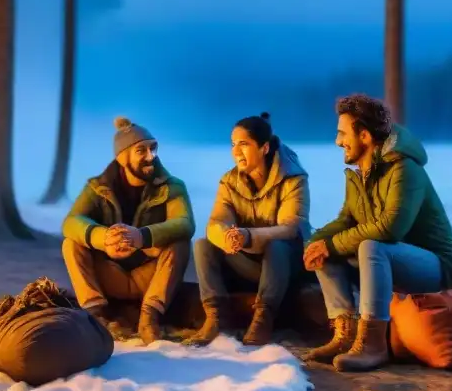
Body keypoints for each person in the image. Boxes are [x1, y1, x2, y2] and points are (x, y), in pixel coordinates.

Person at [303, 94, 452, 372]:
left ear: (364, 136)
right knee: (325, 246)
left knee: (370, 245)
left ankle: (373, 343)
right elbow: (346, 220)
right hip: (388, 261)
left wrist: (330, 245)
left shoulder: (405, 169)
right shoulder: (360, 172)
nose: (337, 141)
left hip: (437, 267)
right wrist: (315, 242)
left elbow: (390, 228)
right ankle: (345, 334)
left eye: (342, 133)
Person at [62, 117, 195, 345]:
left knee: (181, 243)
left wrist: (141, 236)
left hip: (149, 275)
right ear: (123, 157)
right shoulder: (98, 187)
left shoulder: (172, 187)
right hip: (111, 272)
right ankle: (97, 316)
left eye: (153, 148)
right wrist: (104, 239)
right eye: (141, 150)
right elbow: (71, 222)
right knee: (71, 244)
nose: (150, 156)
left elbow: (184, 223)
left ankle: (149, 318)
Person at [186, 113, 310, 347]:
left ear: (264, 148)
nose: (236, 151)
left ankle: (264, 317)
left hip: (283, 265)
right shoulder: (229, 182)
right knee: (203, 244)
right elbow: (216, 221)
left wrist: (248, 236)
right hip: (248, 262)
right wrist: (226, 237)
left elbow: (291, 227)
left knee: (277, 245)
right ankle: (215, 316)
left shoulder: (292, 178)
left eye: (243, 144)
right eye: (233, 145)